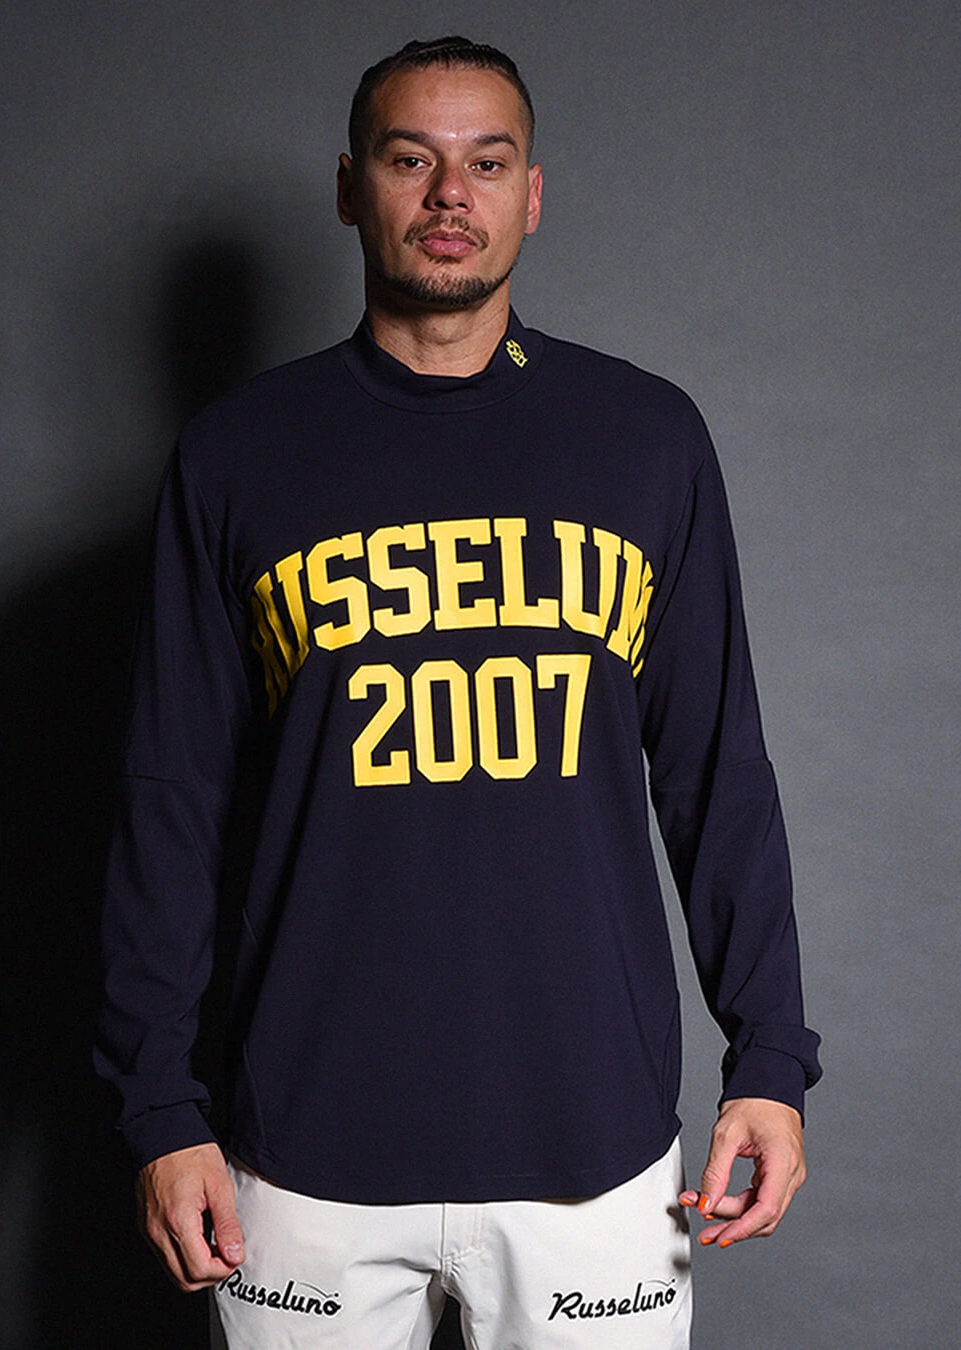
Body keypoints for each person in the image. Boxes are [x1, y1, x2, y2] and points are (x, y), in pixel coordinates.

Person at [95, 36, 822, 1349]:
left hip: (594, 1146)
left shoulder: (647, 439)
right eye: (409, 159)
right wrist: (160, 1108)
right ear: (350, 189)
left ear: (530, 195)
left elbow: (716, 772)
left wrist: (769, 1059)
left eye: (486, 163)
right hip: (299, 1154)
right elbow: (171, 801)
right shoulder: (235, 456)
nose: (449, 194)